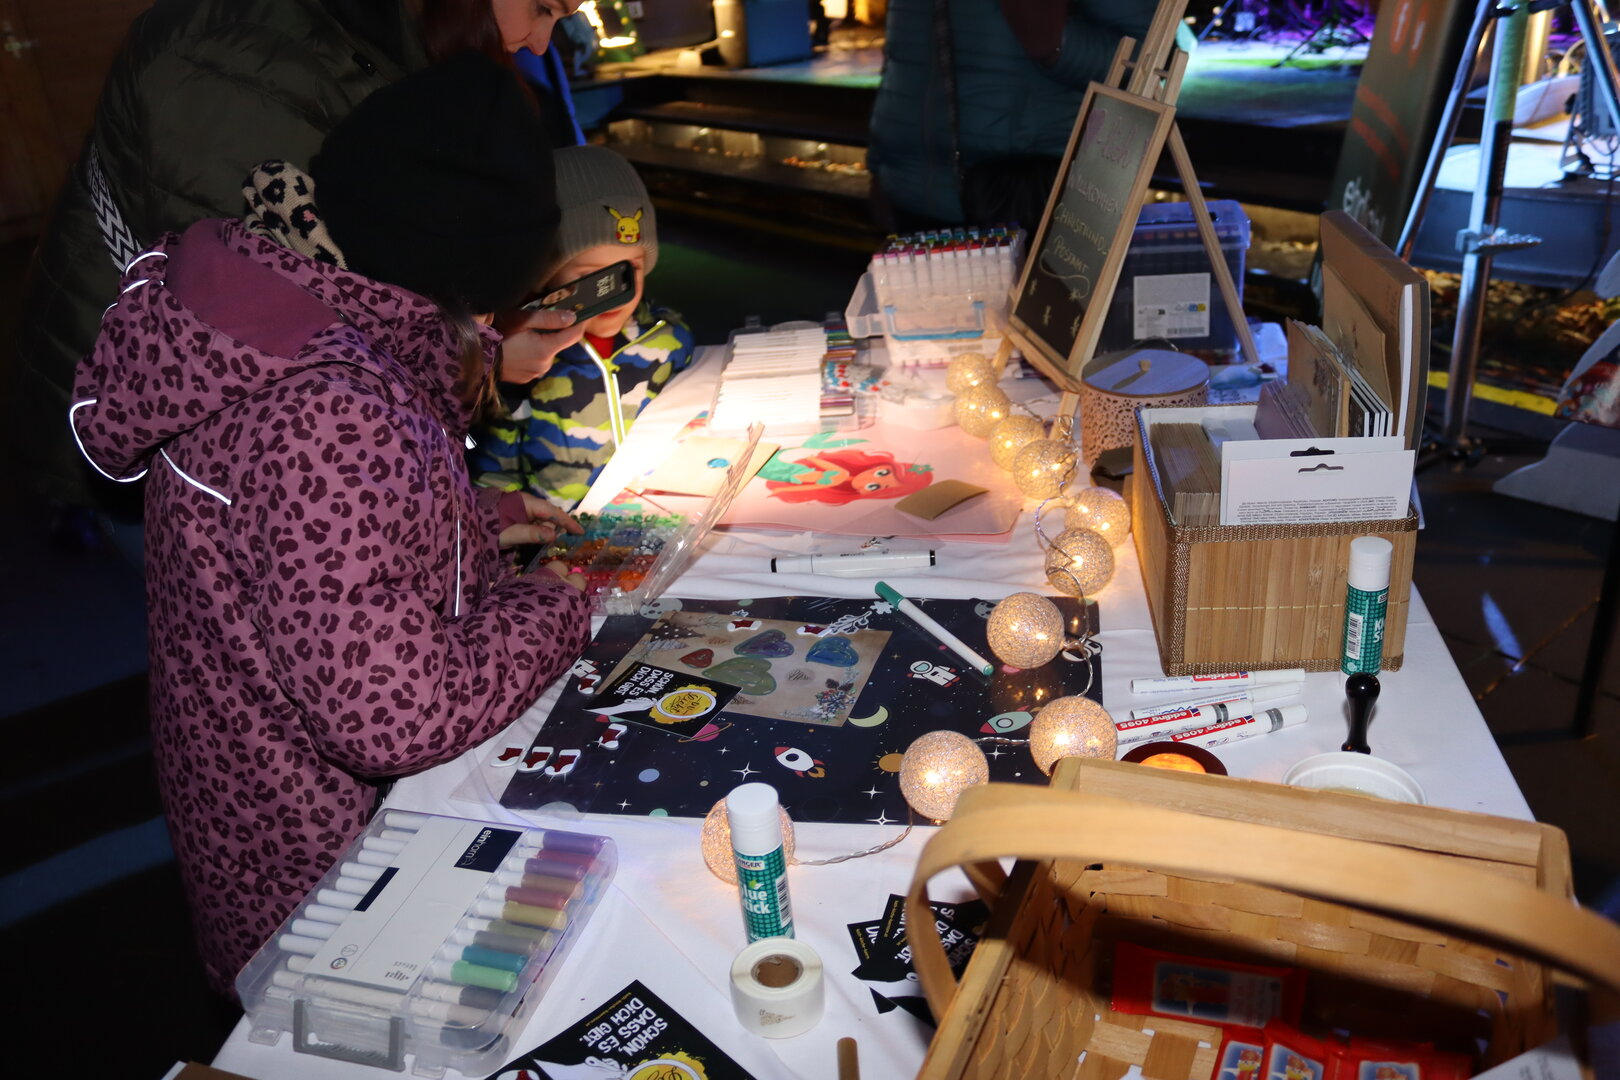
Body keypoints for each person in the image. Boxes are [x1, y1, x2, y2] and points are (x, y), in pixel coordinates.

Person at [67, 52, 591, 998]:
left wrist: (476, 522)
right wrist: (556, 606)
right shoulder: (330, 412)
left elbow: (316, 543)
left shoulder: (294, 308)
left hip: (258, 790)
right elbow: (393, 713)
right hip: (319, 865)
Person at [8, 0, 586, 546]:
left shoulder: (367, 35)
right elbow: (264, 320)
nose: (540, 43)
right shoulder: (246, 56)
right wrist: (472, 359)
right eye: (543, 8)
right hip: (157, 437)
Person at [470, 146, 696, 508]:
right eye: (593, 278)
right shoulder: (518, 368)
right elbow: (494, 477)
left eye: (629, 272)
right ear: (545, 279)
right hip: (559, 533)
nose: (614, 294)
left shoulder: (671, 337)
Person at [866, 0, 1161, 228]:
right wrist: (880, 162)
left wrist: (1056, 46)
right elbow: (901, 55)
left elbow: (1150, 59)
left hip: (1021, 202)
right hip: (907, 196)